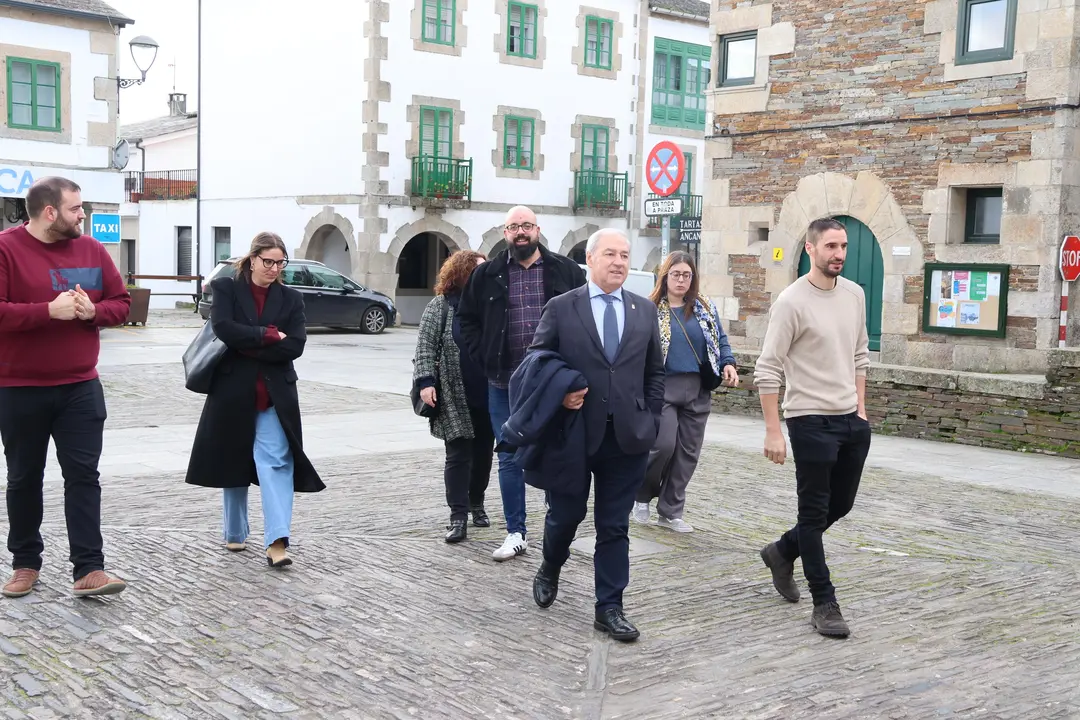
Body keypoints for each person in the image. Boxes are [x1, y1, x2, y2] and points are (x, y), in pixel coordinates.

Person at [528, 228, 665, 642]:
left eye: (625, 255)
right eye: (610, 254)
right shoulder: (562, 308)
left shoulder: (643, 310)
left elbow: (655, 372)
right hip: (573, 436)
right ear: (590, 259)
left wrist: (650, 418)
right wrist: (562, 391)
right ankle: (551, 564)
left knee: (614, 526)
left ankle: (609, 608)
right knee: (565, 516)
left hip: (626, 440)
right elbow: (537, 360)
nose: (619, 262)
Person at [0, 176, 131, 598]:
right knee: (23, 478)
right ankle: (25, 564)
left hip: (80, 387)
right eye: (76, 209)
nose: (84, 216)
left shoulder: (92, 249)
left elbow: (122, 303)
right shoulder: (6, 248)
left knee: (83, 477)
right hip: (19, 387)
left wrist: (94, 311)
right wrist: (47, 312)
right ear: (50, 212)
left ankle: (89, 569)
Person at [754, 217, 872, 638]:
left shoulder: (855, 295)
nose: (838, 254)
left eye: (842, 247)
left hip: (850, 421)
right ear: (811, 249)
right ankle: (825, 602)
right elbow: (767, 370)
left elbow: (860, 355)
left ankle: (781, 551)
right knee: (813, 512)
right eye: (830, 247)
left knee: (840, 506)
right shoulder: (791, 302)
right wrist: (774, 430)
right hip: (808, 420)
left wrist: (860, 408)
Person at [185, 232, 325, 568]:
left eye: (280, 262)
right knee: (233, 459)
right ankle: (235, 530)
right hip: (232, 391)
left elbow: (295, 346)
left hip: (275, 394)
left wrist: (247, 343)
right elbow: (223, 329)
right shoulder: (227, 289)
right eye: (268, 261)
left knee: (276, 462)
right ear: (252, 259)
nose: (275, 268)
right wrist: (266, 335)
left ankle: (277, 541)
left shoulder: (291, 299)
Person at [458, 206, 586, 562]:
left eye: (526, 225)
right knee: (510, 456)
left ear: (537, 229)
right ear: (505, 233)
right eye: (514, 226)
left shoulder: (565, 270)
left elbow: (584, 319)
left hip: (551, 383)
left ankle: (555, 529)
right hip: (504, 382)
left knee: (555, 452)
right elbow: (465, 320)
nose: (521, 232)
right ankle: (516, 532)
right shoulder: (487, 274)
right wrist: (482, 355)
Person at [633, 251, 738, 532]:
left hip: (697, 387)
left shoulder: (704, 306)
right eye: (676, 274)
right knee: (662, 445)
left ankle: (670, 510)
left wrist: (728, 363)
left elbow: (721, 340)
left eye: (687, 275)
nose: (681, 280)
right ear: (665, 276)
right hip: (663, 387)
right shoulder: (650, 308)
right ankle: (641, 495)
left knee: (688, 453)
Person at [412, 250, 494, 543]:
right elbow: (425, 347)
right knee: (458, 455)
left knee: (484, 453)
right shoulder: (441, 306)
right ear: (462, 273)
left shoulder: (491, 306)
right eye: (478, 270)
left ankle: (477, 503)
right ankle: (457, 516)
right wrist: (425, 382)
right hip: (453, 392)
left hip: (488, 391)